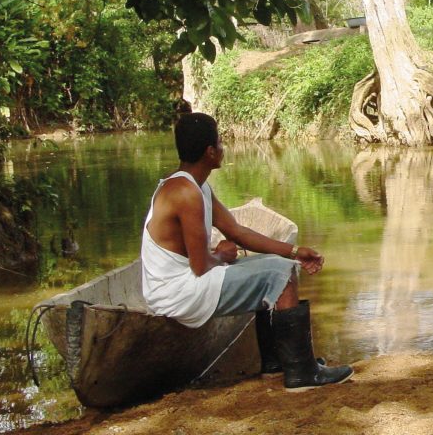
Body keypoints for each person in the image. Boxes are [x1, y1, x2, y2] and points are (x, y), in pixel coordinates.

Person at [141, 112, 353, 391]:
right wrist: (222, 256)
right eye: (219, 141)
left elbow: (238, 232)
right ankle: (302, 374)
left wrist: (293, 251)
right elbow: (200, 266)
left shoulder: (195, 185)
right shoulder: (186, 194)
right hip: (177, 293)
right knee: (282, 273)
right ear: (210, 152)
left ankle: (276, 363)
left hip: (183, 283)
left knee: (279, 263)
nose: (222, 147)